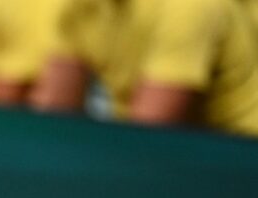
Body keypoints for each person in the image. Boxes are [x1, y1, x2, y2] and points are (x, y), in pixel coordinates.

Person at [31, 0, 258, 137]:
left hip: (242, 159)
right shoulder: (76, 7)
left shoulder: (189, 6)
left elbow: (148, 135)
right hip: (169, 152)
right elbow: (55, 117)